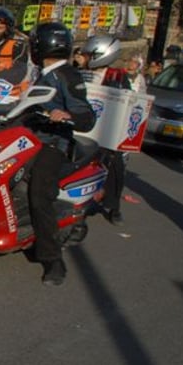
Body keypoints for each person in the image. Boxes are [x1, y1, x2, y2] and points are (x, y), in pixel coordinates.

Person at [27, 23, 96, 286]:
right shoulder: (41, 74)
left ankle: (53, 259)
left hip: (55, 142)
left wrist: (66, 115)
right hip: (29, 138)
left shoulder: (68, 75)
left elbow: (86, 116)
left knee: (39, 194)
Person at [78, 35, 129, 224]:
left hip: (107, 128)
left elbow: (127, 101)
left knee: (115, 165)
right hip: (83, 126)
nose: (85, 58)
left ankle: (113, 206)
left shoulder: (117, 76)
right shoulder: (80, 72)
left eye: (90, 55)